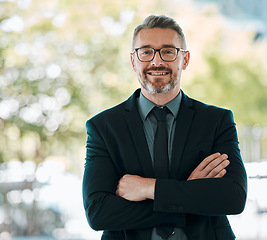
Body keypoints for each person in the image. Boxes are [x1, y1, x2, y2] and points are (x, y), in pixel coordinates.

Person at [82, 14, 247, 240]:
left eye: (168, 51)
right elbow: (99, 213)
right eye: (146, 52)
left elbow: (233, 197)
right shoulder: (104, 127)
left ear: (185, 60)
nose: (156, 61)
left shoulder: (216, 121)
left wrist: (148, 188)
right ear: (133, 61)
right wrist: (188, 194)